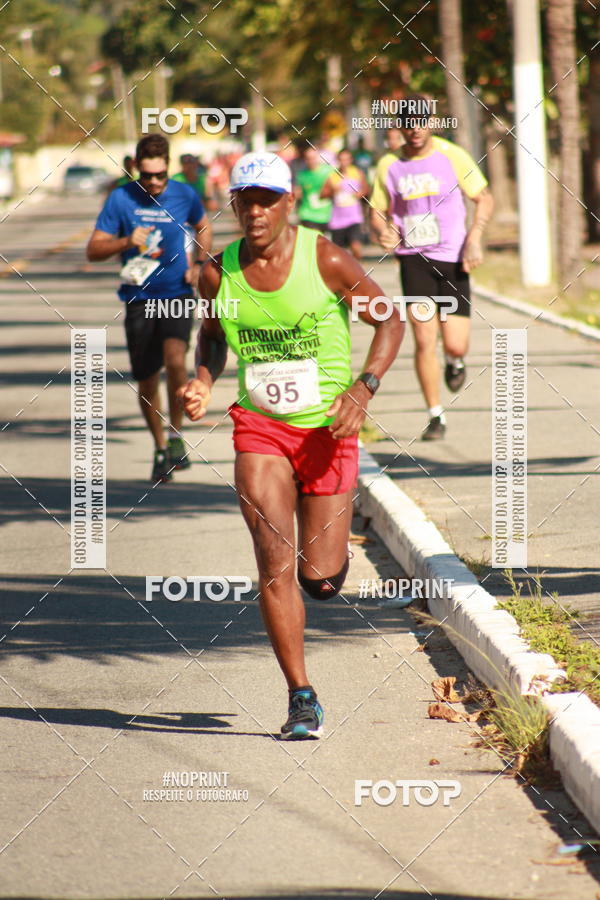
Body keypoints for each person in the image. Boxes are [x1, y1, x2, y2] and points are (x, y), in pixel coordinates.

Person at [178, 151, 403, 739]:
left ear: (288, 202)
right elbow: (212, 336)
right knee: (273, 563)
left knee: (319, 579)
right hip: (261, 427)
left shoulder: (325, 258)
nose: (254, 211)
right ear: (233, 205)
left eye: (266, 200)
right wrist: (203, 380)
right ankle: (301, 697)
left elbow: (390, 320)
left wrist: (364, 387)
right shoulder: (216, 272)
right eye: (244, 200)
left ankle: (327, 561)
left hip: (328, 429)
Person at [86, 133, 212, 482]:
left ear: (168, 168)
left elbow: (203, 226)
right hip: (139, 300)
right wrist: (127, 240)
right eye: (147, 175)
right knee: (146, 380)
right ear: (135, 169)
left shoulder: (185, 194)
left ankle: (175, 438)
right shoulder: (121, 200)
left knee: (175, 361)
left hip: (176, 294)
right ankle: (159, 445)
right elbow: (93, 251)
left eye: (160, 175)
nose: (155, 183)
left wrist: (199, 263)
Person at [370, 95, 494, 440]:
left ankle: (455, 361)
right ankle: (435, 415)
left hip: (454, 256)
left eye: (421, 123)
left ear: (432, 122)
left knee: (455, 344)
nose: (415, 131)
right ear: (400, 128)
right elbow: (378, 210)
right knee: (424, 339)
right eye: (408, 125)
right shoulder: (388, 165)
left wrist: (476, 237)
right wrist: (383, 231)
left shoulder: (451, 155)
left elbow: (483, 196)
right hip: (414, 261)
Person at [320, 148, 368, 259]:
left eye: (346, 159)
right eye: (341, 159)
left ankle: (357, 269)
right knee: (338, 253)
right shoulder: (333, 176)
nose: (344, 162)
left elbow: (366, 189)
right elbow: (322, 195)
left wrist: (360, 193)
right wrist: (333, 191)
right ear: (338, 160)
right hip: (337, 220)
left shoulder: (357, 173)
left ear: (350, 160)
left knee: (355, 247)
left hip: (354, 217)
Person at [294, 146, 333, 232]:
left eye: (313, 158)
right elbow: (297, 193)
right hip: (307, 214)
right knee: (314, 239)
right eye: (308, 159)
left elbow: (336, 188)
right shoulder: (302, 175)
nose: (311, 161)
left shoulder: (328, 171)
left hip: (325, 214)